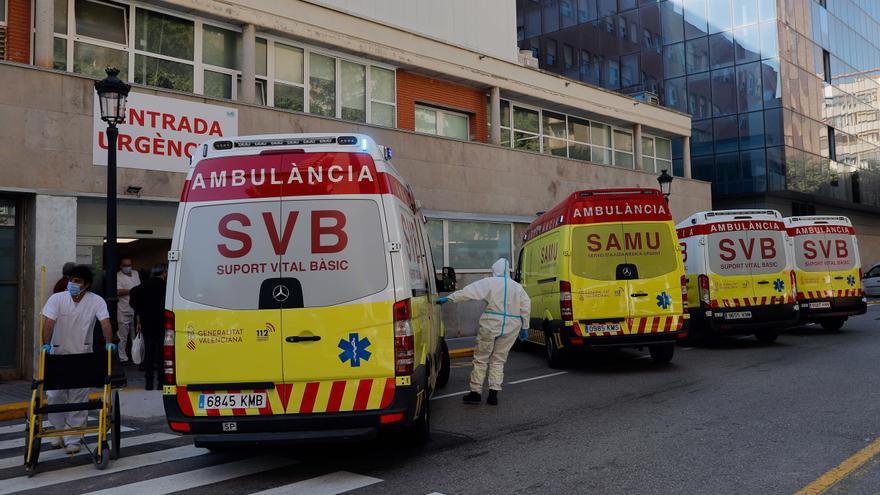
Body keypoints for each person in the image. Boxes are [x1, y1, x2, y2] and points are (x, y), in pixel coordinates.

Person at [41, 264, 114, 454]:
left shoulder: (96, 301)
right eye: (71, 280)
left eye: (77, 281)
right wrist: (46, 343)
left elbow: (105, 322)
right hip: (58, 354)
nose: (73, 284)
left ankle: (74, 438)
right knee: (55, 396)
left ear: (86, 284)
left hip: (82, 355)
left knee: (78, 397)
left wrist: (108, 342)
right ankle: (58, 432)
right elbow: (49, 322)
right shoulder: (57, 299)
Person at [437, 258, 531, 406]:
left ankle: (475, 392)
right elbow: (526, 306)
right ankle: (493, 394)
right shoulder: (518, 288)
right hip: (512, 326)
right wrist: (525, 327)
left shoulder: (490, 283)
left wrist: (449, 298)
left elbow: (469, 292)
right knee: (499, 360)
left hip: (491, 324)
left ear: (495, 270)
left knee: (481, 358)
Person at [134, 263, 167, 390]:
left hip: (147, 324)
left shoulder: (142, 287)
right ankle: (161, 382)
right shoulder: (166, 287)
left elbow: (136, 305)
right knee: (162, 354)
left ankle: (148, 382)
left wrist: (139, 322)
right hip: (163, 324)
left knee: (149, 353)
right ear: (164, 273)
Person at [116, 257, 141, 363]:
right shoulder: (118, 276)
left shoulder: (135, 273)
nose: (128, 267)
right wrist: (133, 291)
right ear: (121, 266)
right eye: (125, 265)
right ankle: (123, 358)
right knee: (122, 336)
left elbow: (140, 288)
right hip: (123, 309)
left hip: (136, 310)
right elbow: (118, 291)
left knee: (135, 335)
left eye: (129, 265)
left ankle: (135, 357)